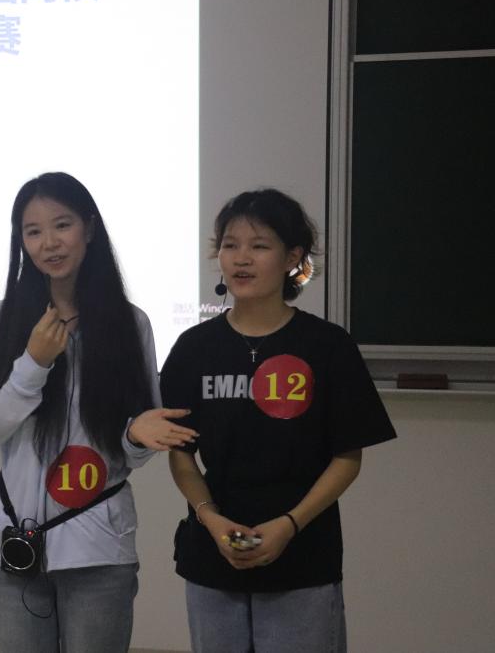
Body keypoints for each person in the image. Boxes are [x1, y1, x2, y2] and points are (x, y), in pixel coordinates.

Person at [160, 188, 396, 652]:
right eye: (230, 245)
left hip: (302, 555)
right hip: (213, 552)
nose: (241, 258)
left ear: (292, 257)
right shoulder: (194, 347)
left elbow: (347, 456)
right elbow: (181, 454)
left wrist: (289, 524)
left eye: (259, 245)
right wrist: (211, 520)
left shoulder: (327, 345)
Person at [0, 171, 197, 653]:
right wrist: (33, 364)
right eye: (33, 231)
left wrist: (135, 436)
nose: (49, 243)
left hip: (99, 547)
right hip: (17, 540)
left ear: (89, 229)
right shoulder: (3, 319)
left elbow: (136, 450)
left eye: (62, 225)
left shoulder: (130, 323)